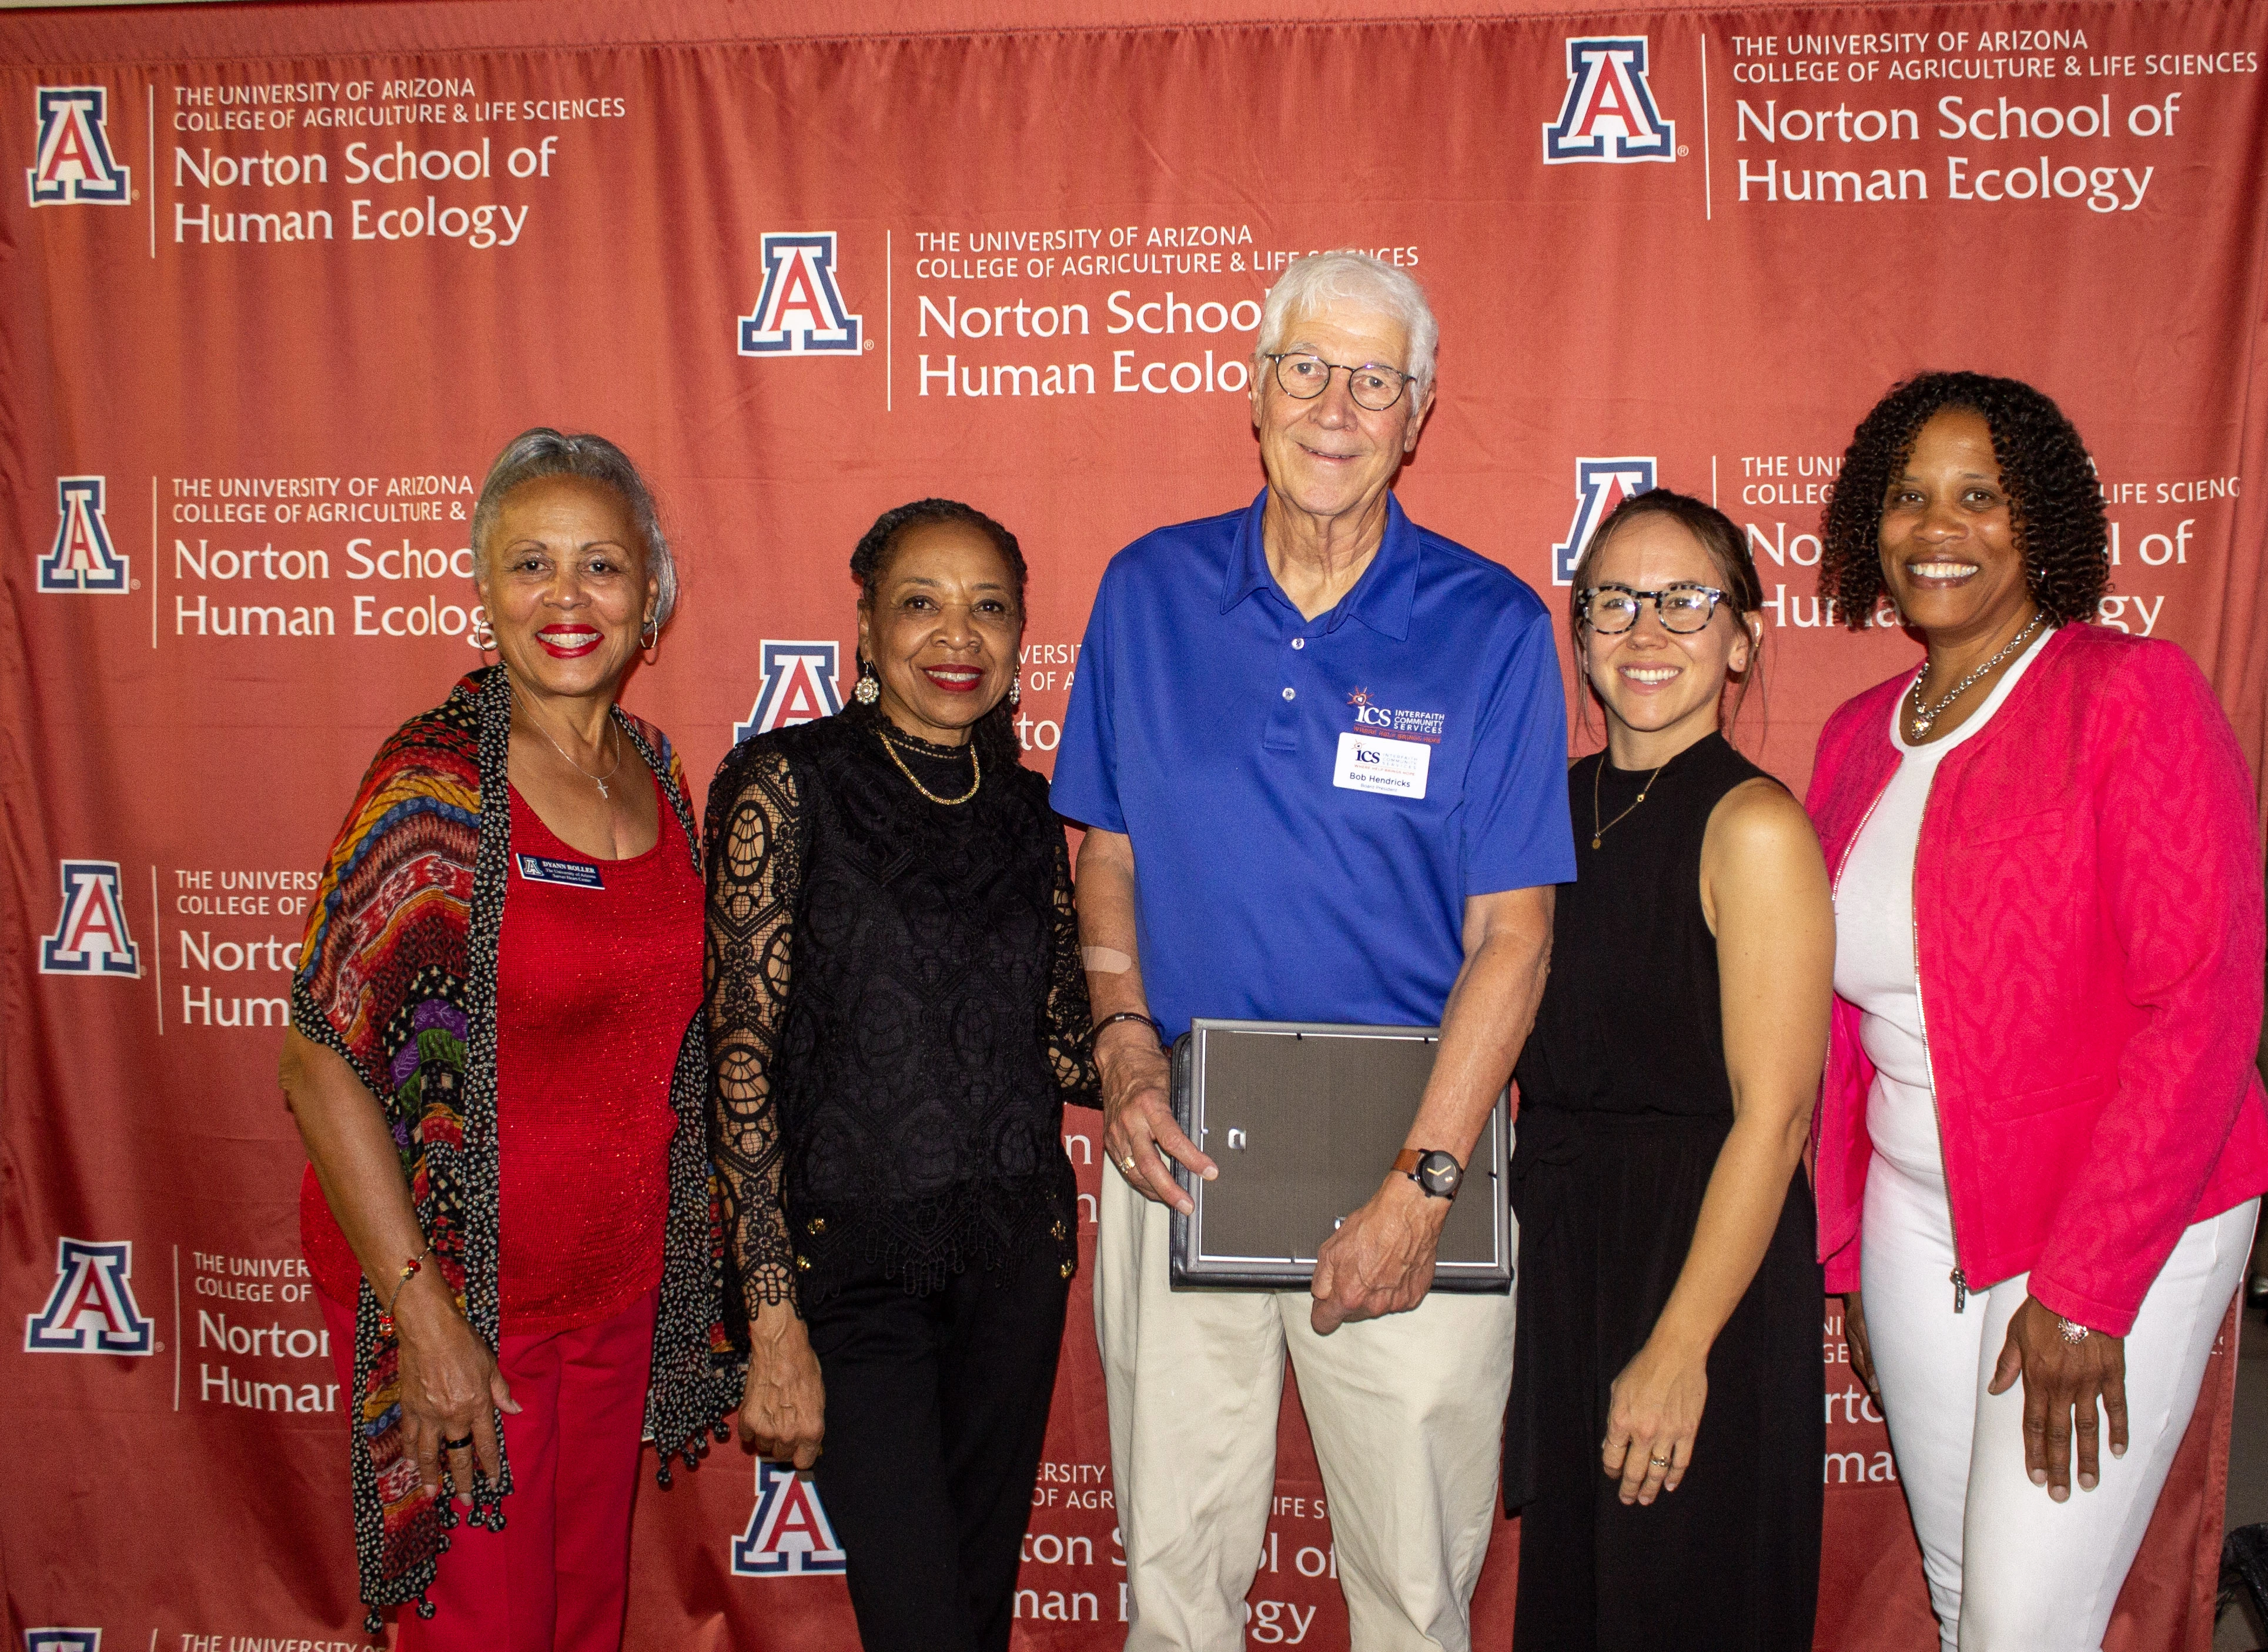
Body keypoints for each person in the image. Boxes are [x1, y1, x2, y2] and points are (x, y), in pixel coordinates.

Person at [1051, 251, 1574, 1652]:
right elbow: (1108, 849)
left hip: (1412, 1148)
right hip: (1180, 1148)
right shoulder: (1149, 591)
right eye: (1307, 370)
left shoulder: (1496, 627)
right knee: (1171, 1585)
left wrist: (1423, 1185)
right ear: (1254, 391)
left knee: (1412, 1596)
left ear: (1419, 415)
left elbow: (1513, 941)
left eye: (1374, 381)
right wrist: (1121, 1050)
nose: (1336, 407)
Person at [1808, 372, 2268, 1650]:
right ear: (1866, 524)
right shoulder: (1857, 737)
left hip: (2115, 1234)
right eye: (1908, 495)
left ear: (2043, 523)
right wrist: (1847, 1255)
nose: (1937, 526)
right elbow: (1846, 1038)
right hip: (1915, 1224)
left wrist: (2084, 1289)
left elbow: (2206, 1007)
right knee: (1965, 1603)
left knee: (2023, 1626)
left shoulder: (2132, 696)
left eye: (1981, 496)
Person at [282, 429, 742, 1646]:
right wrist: (422, 1313)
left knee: (584, 1616)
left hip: (615, 1296)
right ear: (483, 594)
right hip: (461, 1303)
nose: (566, 598)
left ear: (651, 599)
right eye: (530, 564)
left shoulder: (658, 770)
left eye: (601, 565)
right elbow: (317, 1057)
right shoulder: (432, 787)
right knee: (478, 1628)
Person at [704, 499, 1098, 1652]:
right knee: (921, 1623)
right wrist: (773, 1317)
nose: (956, 635)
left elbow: (1069, 1042)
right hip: (853, 1274)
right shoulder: (790, 785)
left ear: (1021, 636)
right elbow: (739, 1057)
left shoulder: (1029, 813)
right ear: (866, 630)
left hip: (1015, 1264)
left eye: (989, 608)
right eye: (921, 604)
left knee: (975, 1617)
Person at [1505, 490, 1831, 1650]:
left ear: (1742, 636)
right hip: (1573, 1253)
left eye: (1687, 602)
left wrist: (1681, 1347)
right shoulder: (1549, 808)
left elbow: (1778, 1118)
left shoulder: (1752, 827)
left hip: (1703, 1266)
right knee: (1583, 1603)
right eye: (1615, 602)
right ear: (1580, 630)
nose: (1647, 631)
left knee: (1682, 1599)